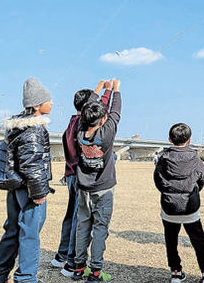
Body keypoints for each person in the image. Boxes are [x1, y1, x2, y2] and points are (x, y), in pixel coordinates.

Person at [0, 77, 53, 283]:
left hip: (15, 187)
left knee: (12, 230)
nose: (52, 103)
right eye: (48, 100)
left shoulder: (17, 126)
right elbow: (32, 164)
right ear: (37, 105)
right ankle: (26, 278)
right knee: (29, 235)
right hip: (29, 190)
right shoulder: (34, 129)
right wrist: (39, 193)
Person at [51, 81, 112, 277]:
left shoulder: (71, 123)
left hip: (70, 176)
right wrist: (108, 90)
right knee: (80, 221)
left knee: (71, 217)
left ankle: (61, 256)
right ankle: (71, 263)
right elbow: (101, 109)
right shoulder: (81, 125)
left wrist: (99, 88)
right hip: (80, 178)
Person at [154, 123, 204, 283]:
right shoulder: (195, 158)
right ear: (189, 140)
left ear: (170, 139)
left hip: (169, 206)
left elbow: (158, 180)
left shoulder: (163, 158)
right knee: (199, 241)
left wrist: (169, 192)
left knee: (171, 241)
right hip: (190, 205)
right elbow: (201, 178)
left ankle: (176, 272)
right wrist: (193, 191)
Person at [73, 79, 121, 282]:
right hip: (103, 188)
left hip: (84, 187)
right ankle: (95, 271)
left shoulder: (79, 130)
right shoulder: (107, 133)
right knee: (100, 228)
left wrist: (100, 89)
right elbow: (116, 111)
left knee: (83, 225)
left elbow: (88, 110)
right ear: (102, 120)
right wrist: (115, 90)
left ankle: (78, 267)